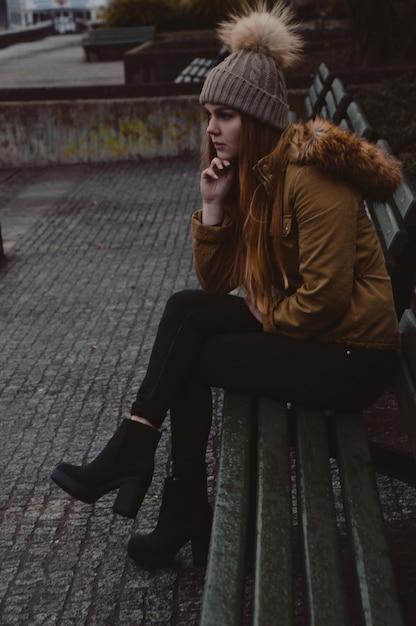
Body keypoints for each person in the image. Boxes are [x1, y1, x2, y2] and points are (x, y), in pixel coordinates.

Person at [51, 1, 402, 569]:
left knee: (189, 355)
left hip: (350, 357)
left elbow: (327, 299)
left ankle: (168, 490)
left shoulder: (314, 180)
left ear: (258, 119)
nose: (212, 127)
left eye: (226, 115)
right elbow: (213, 286)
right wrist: (213, 208)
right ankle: (150, 461)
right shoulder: (257, 177)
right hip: (308, 330)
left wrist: (269, 316)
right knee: (185, 311)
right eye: (209, 113)